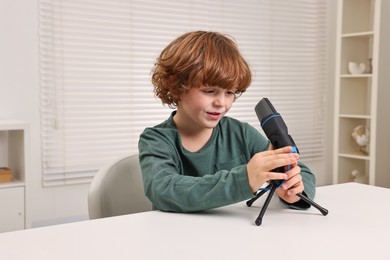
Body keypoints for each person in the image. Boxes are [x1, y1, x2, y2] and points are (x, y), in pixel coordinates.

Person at [138, 31, 316, 212]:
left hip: (231, 236)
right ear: (176, 85)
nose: (221, 103)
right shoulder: (155, 140)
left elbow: (304, 172)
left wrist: (294, 190)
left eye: (230, 92)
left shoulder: (241, 134)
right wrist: (244, 179)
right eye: (209, 91)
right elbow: (164, 190)